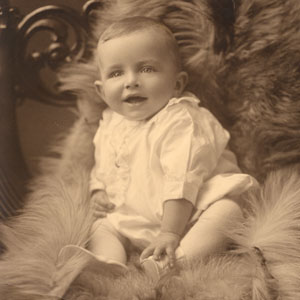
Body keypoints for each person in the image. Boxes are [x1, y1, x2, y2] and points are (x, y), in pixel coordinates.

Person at [71, 16, 256, 282]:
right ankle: (109, 264)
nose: (131, 81)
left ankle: (175, 262)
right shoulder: (110, 124)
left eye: (146, 69)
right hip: (134, 216)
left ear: (177, 83)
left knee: (228, 211)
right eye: (116, 73)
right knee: (102, 225)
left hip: (191, 214)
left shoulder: (182, 119)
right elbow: (103, 165)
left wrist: (170, 233)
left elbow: (182, 179)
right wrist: (98, 189)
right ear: (101, 91)